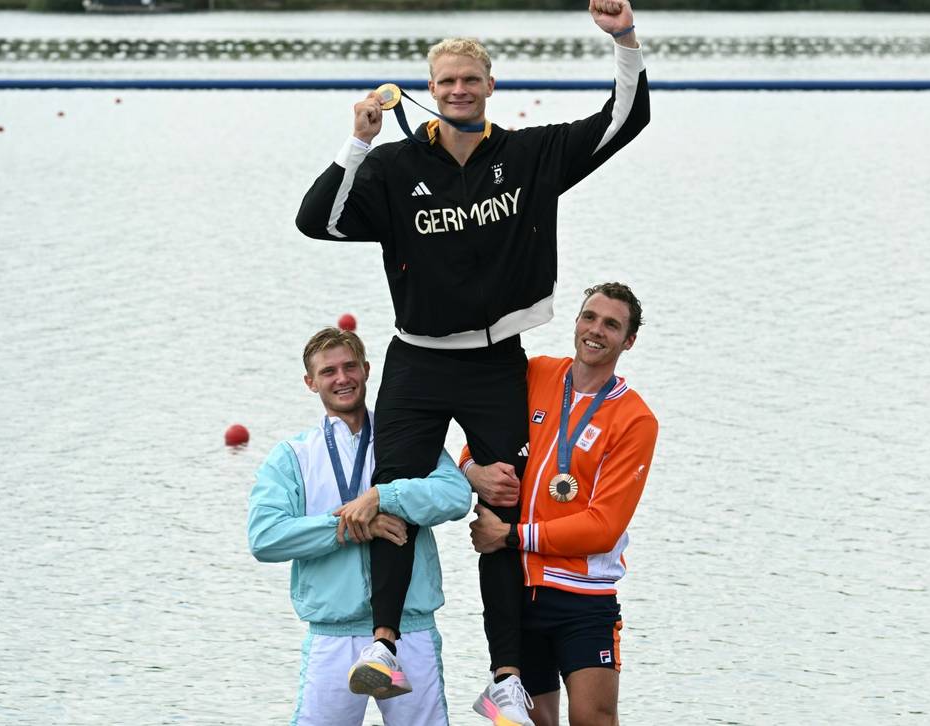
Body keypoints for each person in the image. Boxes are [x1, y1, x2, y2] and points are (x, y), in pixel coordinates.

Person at [295, 2, 649, 722]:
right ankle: (384, 646)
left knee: (503, 504)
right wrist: (357, 142)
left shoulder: (527, 156)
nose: (458, 89)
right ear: (432, 86)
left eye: (470, 79)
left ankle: (507, 674)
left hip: (494, 364)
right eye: (446, 80)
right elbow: (319, 219)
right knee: (392, 492)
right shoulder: (395, 165)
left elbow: (624, 120)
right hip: (418, 362)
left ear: (491, 85)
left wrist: (625, 40)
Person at [247, 327, 471, 726]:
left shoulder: (407, 436)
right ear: (310, 382)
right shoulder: (293, 456)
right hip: (333, 634)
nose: (342, 378)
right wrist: (351, 527)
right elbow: (265, 537)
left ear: (367, 370)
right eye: (328, 371)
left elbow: (455, 496)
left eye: (350, 366)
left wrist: (384, 497)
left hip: (409, 630)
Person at [462, 282, 658, 726]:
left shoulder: (635, 419)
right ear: (576, 322)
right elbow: (477, 446)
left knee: (594, 719)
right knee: (532, 723)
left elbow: (603, 527)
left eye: (611, 325)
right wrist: (473, 472)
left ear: (628, 341)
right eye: (589, 317)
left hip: (584, 599)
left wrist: (510, 535)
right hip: (520, 590)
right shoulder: (536, 374)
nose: (596, 330)